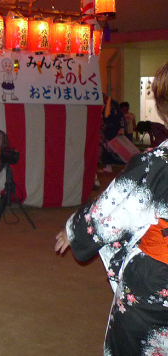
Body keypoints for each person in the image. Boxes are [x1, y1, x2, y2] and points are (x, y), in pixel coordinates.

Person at [55, 61, 168, 356]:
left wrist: (76, 230)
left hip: (158, 278)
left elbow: (114, 214)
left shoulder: (155, 164)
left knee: (136, 345)